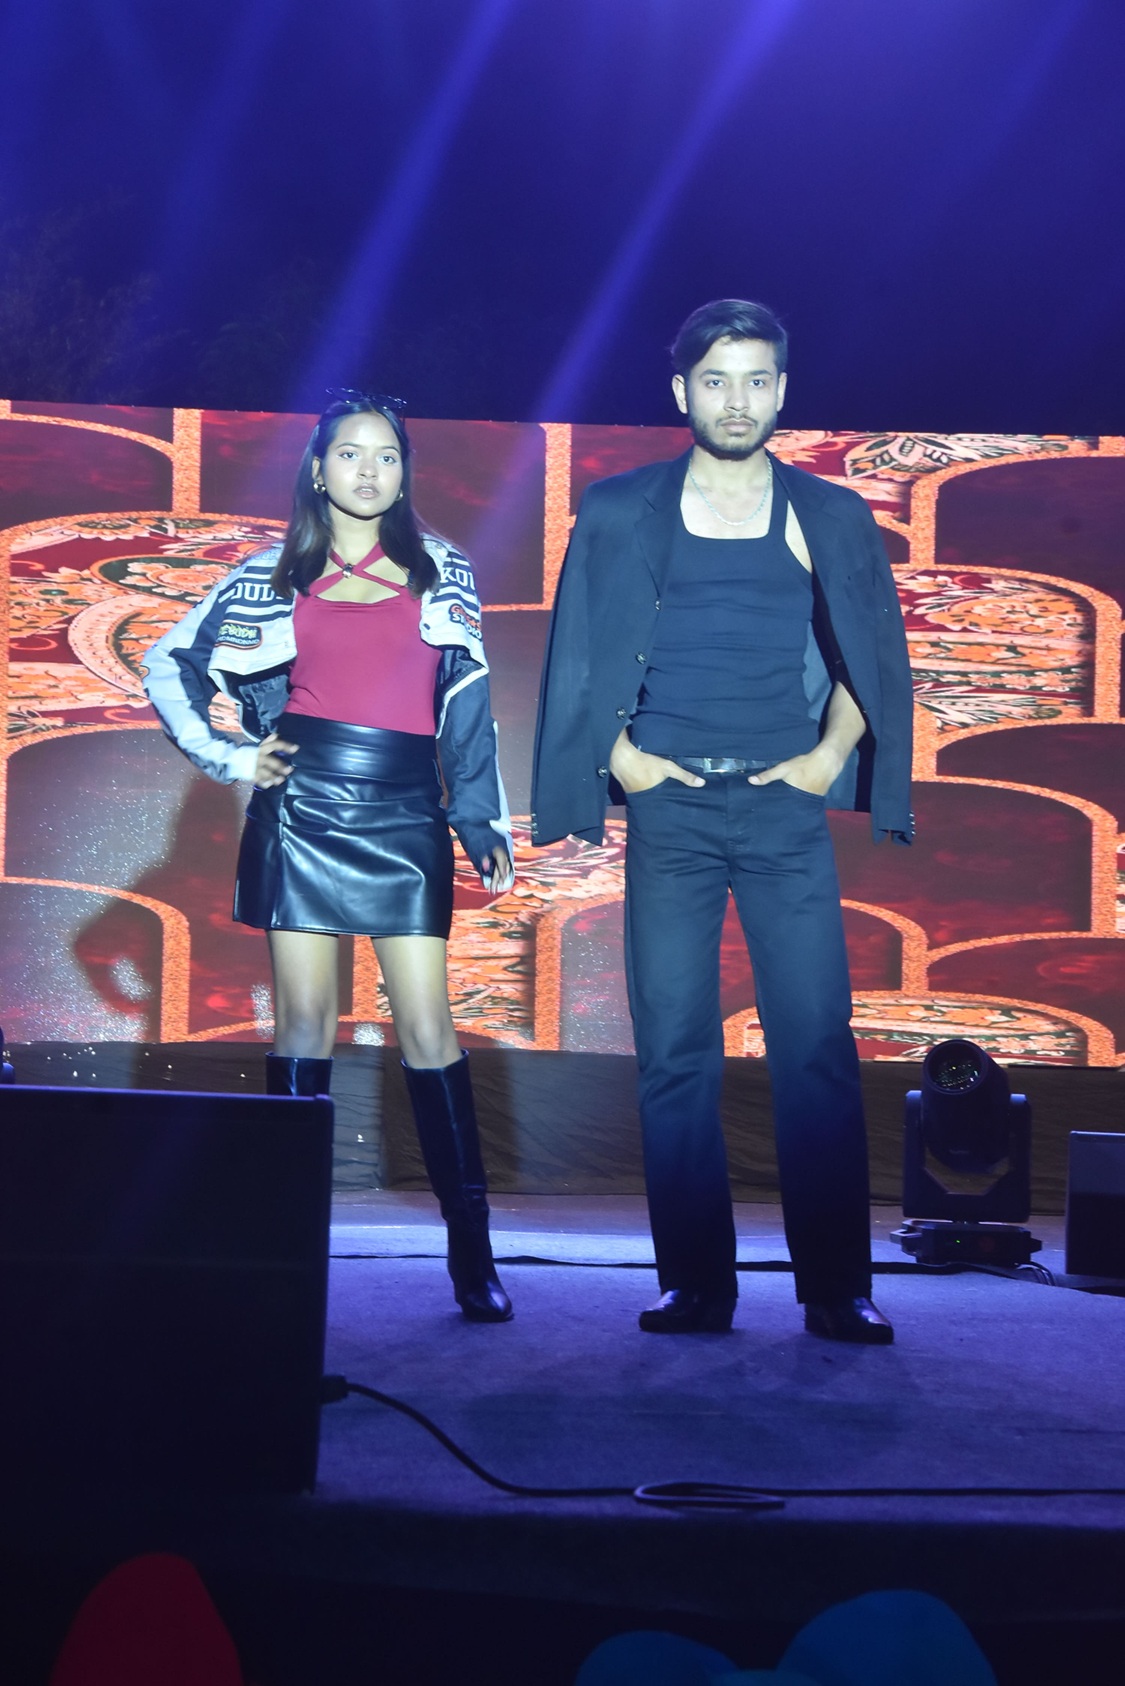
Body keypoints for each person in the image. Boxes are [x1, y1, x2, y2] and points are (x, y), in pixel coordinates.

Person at [531, 301, 914, 1341]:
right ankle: (695, 1282)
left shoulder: (829, 514)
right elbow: (578, 651)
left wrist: (824, 763)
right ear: (681, 393)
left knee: (815, 1046)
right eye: (715, 380)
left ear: (781, 391)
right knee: (675, 1050)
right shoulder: (621, 509)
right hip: (675, 812)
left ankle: (835, 1287)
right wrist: (625, 764)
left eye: (754, 380)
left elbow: (873, 656)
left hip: (785, 814)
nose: (735, 401)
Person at [144, 392, 515, 1322]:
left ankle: (472, 1251)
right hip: (302, 806)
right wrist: (233, 758)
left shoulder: (444, 571)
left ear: (404, 471)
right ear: (317, 469)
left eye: (386, 455)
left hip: (405, 808)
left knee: (427, 1028)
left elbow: (469, 704)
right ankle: (283, 1246)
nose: (368, 470)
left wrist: (480, 817)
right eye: (350, 453)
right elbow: (166, 663)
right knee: (304, 1023)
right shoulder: (266, 575)